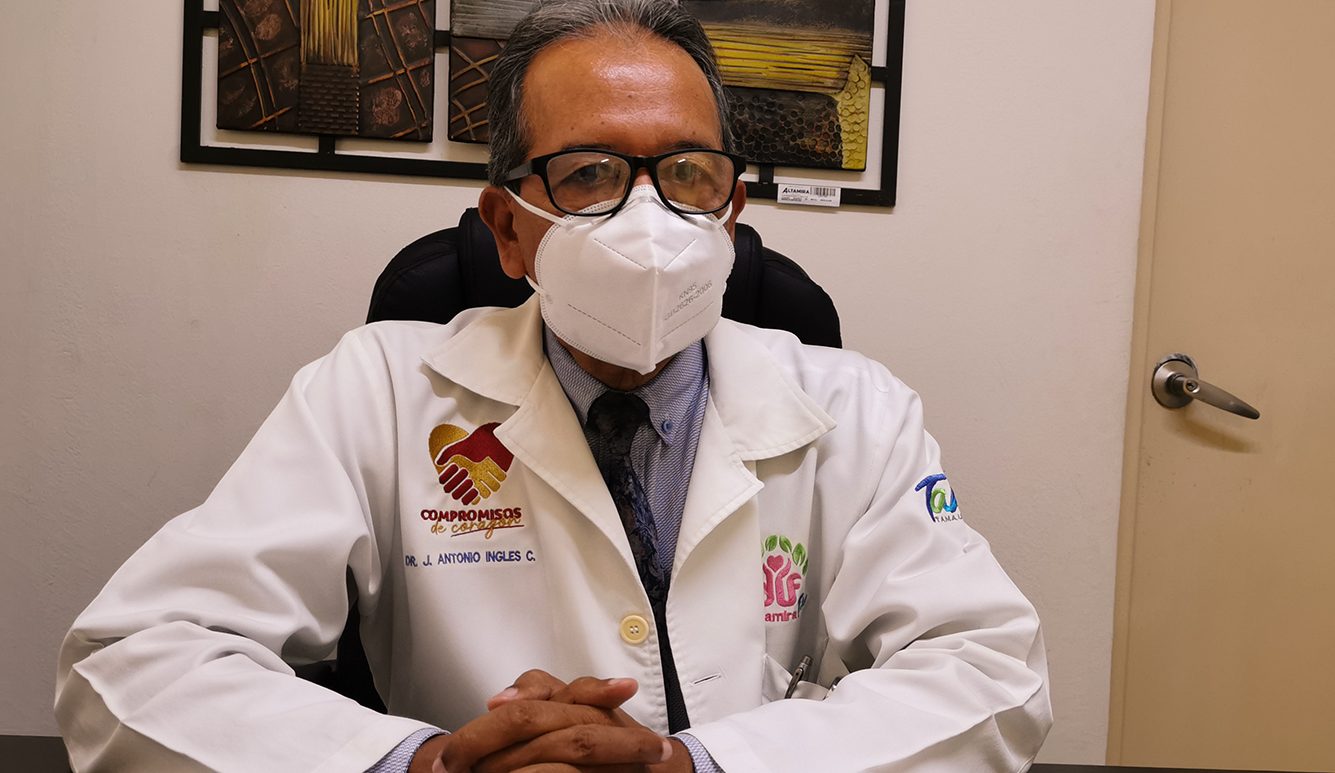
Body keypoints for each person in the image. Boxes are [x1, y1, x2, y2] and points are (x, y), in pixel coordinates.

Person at [55, 0, 1052, 770]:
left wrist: (700, 763)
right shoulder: (378, 390)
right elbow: (136, 658)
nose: (649, 220)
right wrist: (426, 761)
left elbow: (988, 669)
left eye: (689, 173)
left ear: (732, 213)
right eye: (589, 173)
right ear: (507, 228)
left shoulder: (858, 409)